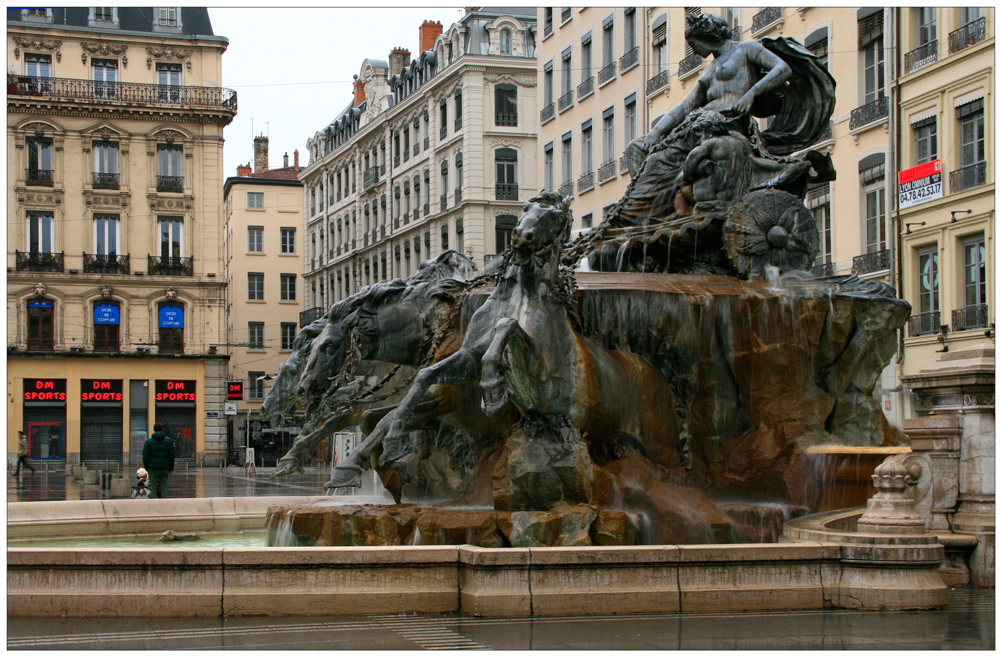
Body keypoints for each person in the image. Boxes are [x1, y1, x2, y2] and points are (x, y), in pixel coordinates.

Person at [615, 12, 834, 227]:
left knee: (684, 157)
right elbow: (684, 106)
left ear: (706, 36)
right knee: (643, 152)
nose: (693, 50)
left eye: (693, 43)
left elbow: (782, 68)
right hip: (695, 127)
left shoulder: (746, 50)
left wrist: (751, 93)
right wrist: (654, 133)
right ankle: (643, 214)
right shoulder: (708, 72)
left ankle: (650, 209)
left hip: (728, 125)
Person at [142, 422, 175, 499]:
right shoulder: (168, 441)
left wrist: (146, 467)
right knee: (164, 486)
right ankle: (164, 503)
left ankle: (153, 504)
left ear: (154, 429)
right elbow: (172, 456)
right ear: (162, 429)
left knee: (153, 486)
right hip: (164, 467)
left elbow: (145, 456)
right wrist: (171, 469)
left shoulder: (148, 442)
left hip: (152, 467)